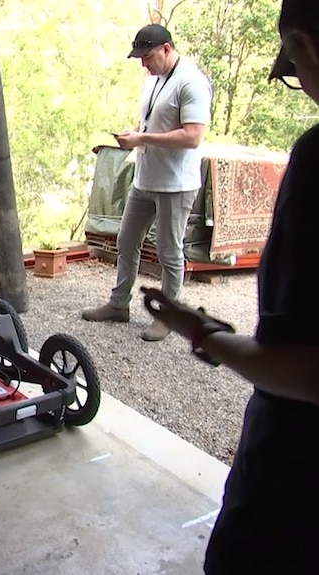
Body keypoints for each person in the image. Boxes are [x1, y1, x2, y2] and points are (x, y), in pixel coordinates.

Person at [140, 1, 319, 572]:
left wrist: (202, 332)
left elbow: (305, 371)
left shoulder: (317, 161)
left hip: (298, 480)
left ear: (304, 45)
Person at [81, 24, 212, 342]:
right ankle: (118, 304)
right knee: (126, 241)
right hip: (145, 179)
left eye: (148, 56)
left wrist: (142, 137)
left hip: (176, 184)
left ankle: (168, 317)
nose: (143, 63)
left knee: (169, 250)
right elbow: (153, 122)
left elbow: (193, 136)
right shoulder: (154, 80)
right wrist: (134, 134)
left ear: (166, 49)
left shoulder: (191, 82)